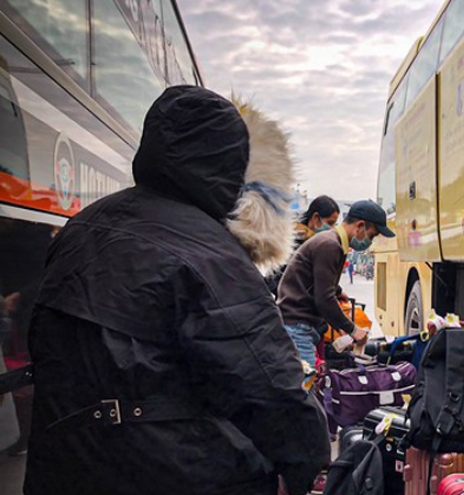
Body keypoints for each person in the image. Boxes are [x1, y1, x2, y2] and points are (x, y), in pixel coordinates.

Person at [24, 86, 330, 495]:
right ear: (231, 164)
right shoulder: (211, 252)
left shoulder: (83, 226)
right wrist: (308, 463)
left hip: (65, 464)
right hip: (169, 471)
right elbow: (271, 387)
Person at [277, 200, 395, 372]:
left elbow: (317, 280)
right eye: (372, 235)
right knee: (304, 390)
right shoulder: (330, 245)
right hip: (298, 328)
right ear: (360, 226)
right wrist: (352, 329)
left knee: (307, 387)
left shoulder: (332, 242)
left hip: (301, 326)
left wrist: (338, 292)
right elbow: (324, 298)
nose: (371, 241)